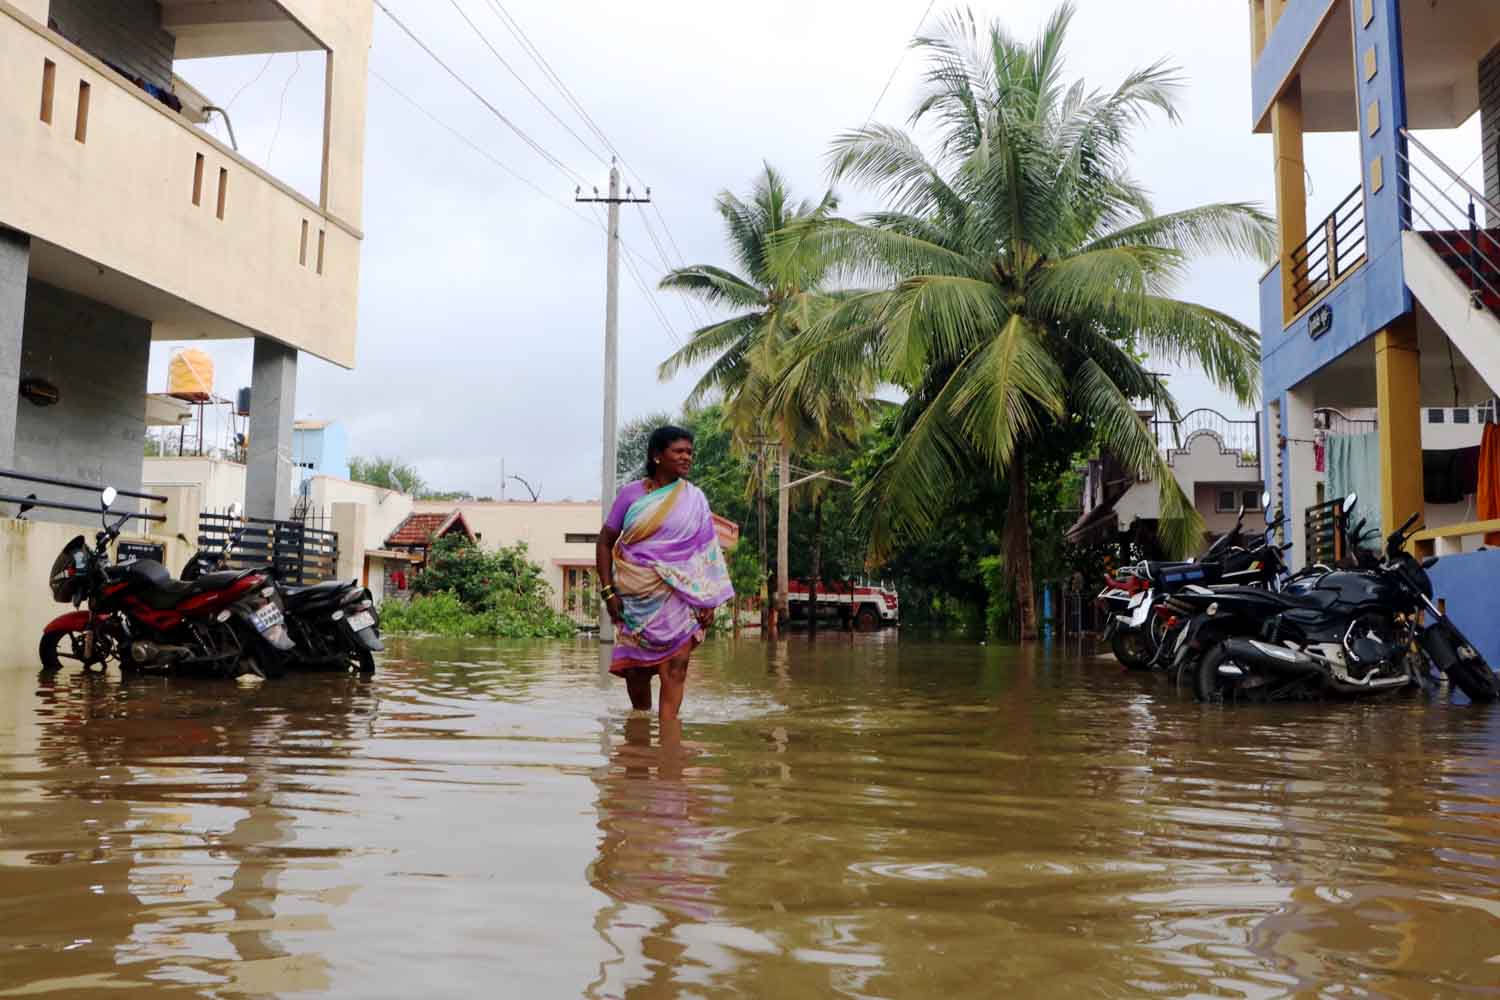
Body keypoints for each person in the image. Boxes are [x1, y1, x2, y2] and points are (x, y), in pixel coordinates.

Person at [595, 426, 734, 721]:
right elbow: (605, 542)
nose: (687, 458)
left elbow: (706, 553)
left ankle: (670, 753)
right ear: (657, 455)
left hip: (679, 598)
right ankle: (639, 747)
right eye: (679, 451)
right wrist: (608, 593)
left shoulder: (694, 499)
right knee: (637, 675)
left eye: (690, 452)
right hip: (635, 600)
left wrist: (708, 601)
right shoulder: (630, 495)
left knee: (676, 668)